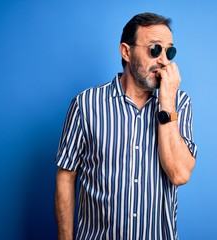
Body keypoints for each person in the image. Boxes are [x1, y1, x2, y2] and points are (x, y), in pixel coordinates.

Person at [55, 12, 197, 240]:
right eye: (154, 49)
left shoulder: (180, 104)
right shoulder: (86, 104)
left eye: (169, 51)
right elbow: (66, 175)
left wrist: (167, 102)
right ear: (126, 51)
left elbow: (179, 174)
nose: (164, 60)